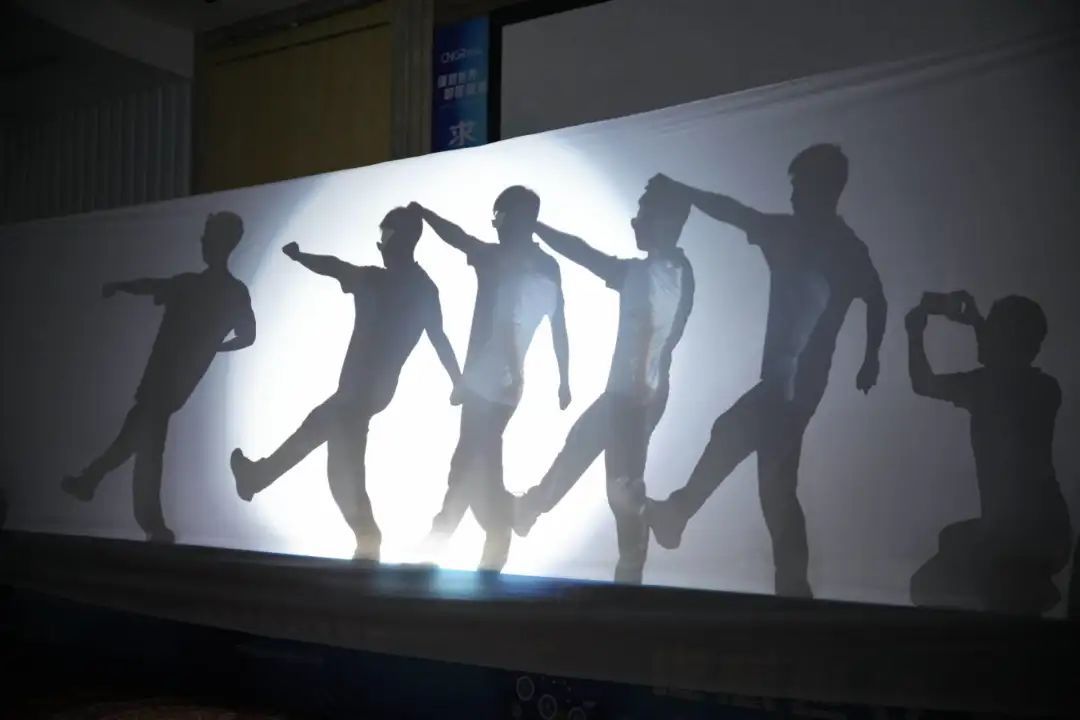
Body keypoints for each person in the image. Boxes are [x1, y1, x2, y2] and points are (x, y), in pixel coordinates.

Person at [647, 144, 887, 598]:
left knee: (743, 447)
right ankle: (790, 585)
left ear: (824, 188)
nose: (792, 196)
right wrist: (870, 358)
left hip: (795, 386)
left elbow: (877, 300)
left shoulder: (837, 246)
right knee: (775, 488)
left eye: (800, 187)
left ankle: (680, 515)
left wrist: (871, 356)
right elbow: (735, 212)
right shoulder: (809, 238)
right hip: (791, 383)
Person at [230, 206, 460, 562]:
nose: (380, 246)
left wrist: (300, 256)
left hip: (361, 391)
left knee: (336, 460)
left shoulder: (384, 282)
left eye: (385, 237)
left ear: (399, 240)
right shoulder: (417, 287)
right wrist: (457, 381)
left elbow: (334, 266)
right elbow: (335, 267)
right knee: (334, 454)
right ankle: (260, 478)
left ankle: (364, 536)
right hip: (371, 392)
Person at [512, 183, 695, 584]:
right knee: (580, 445)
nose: (635, 221)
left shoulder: (663, 274)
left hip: (635, 396)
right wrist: (538, 227)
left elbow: (653, 327)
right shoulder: (652, 271)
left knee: (621, 492)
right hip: (627, 393)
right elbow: (585, 254)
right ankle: (529, 509)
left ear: (666, 221)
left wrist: (641, 392)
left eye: (643, 214)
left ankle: (633, 563)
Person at [62, 212, 255, 543]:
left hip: (166, 381)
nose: (203, 242)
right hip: (168, 381)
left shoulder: (205, 287)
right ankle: (92, 483)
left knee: (147, 446)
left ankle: (146, 519)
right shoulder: (218, 289)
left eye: (208, 237)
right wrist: (213, 347)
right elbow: (245, 335)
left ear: (221, 243)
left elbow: (246, 335)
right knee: (136, 438)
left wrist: (211, 347)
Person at [413, 186, 571, 571]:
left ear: (516, 217)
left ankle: (454, 541)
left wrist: (564, 378)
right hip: (495, 385)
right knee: (476, 461)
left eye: (499, 215)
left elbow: (558, 325)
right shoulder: (525, 262)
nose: (495, 223)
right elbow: (458, 238)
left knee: (468, 461)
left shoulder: (513, 261)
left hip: (493, 384)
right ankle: (488, 537)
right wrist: (563, 379)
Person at [905, 291, 1071, 614]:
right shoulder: (1043, 388)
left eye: (993, 329)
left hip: (1022, 534)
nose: (982, 338)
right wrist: (978, 322)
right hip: (1041, 530)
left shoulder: (988, 387)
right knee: (949, 548)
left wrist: (914, 335)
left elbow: (924, 383)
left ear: (1006, 338)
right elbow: (1004, 363)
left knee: (931, 583)